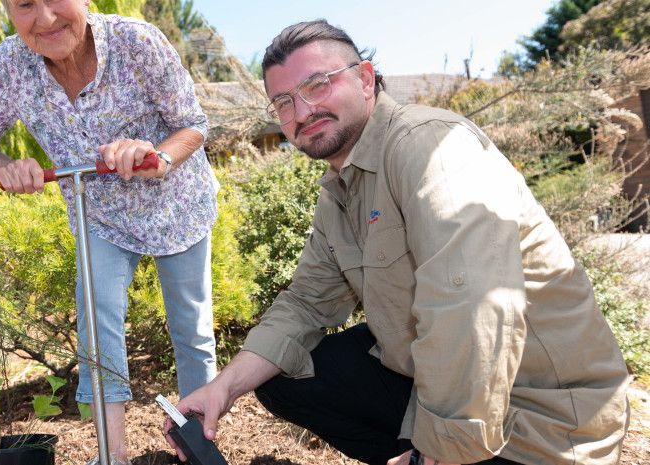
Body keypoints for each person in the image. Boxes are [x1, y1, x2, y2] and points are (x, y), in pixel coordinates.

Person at [165, 19, 630, 465]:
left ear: (366, 79)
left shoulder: (429, 148)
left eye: (317, 84)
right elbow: (305, 302)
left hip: (540, 420)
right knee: (285, 374)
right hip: (448, 382)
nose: (302, 111)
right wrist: (223, 388)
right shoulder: (340, 191)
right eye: (284, 102)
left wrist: (439, 451)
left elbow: (471, 306)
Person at [0, 1, 219, 463]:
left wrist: (156, 156)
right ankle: (110, 455)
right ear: (9, 13)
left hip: (175, 205)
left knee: (191, 330)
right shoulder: (11, 65)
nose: (45, 17)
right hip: (99, 214)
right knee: (98, 330)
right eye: (24, 5)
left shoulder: (135, 42)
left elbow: (192, 123)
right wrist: (4, 168)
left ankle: (198, 447)